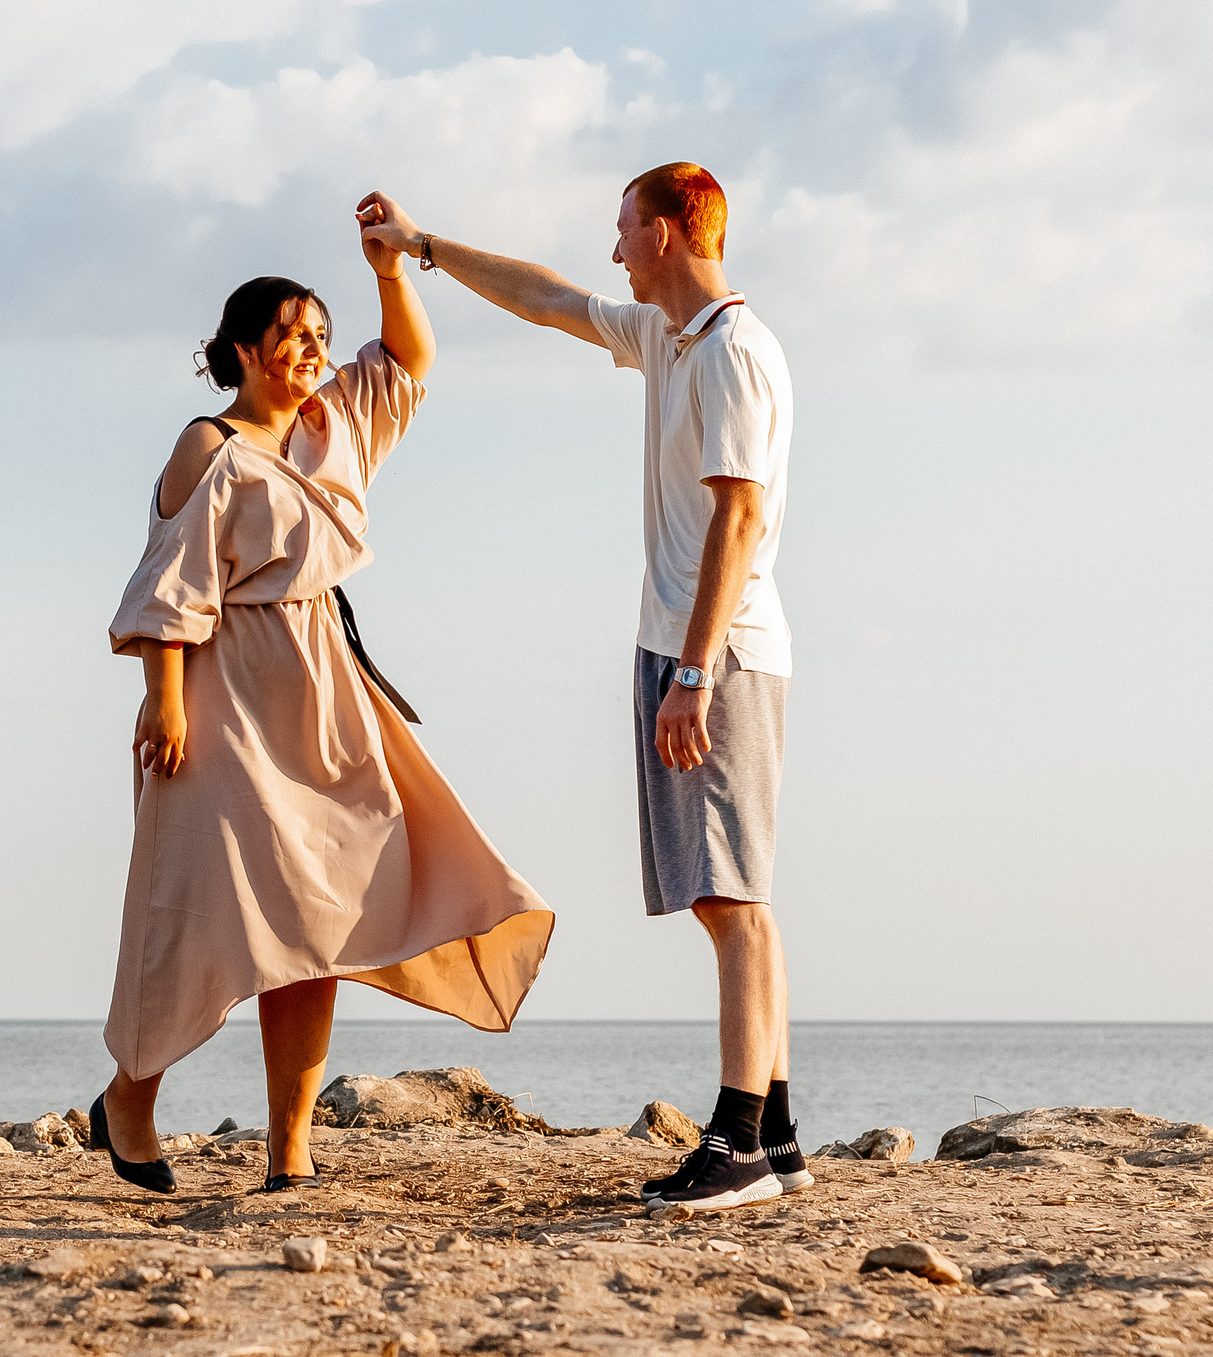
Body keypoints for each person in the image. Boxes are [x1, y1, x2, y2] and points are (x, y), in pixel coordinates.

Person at [355, 164, 803, 1212]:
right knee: (728, 892)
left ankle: (738, 1141)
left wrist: (693, 670)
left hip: (719, 652)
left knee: (729, 897)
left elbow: (739, 517)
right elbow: (547, 298)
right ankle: (775, 1135)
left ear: (664, 233)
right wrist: (422, 247)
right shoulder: (669, 337)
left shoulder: (734, 351)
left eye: (622, 230)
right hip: (686, 648)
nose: (612, 252)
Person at [91, 214, 555, 1196]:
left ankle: (290, 1148)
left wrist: (392, 268)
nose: (312, 349)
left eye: (320, 334)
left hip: (324, 694)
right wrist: (164, 702)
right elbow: (170, 583)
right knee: (192, 911)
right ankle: (129, 1098)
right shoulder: (209, 446)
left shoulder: (332, 425)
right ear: (243, 349)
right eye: (292, 334)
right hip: (221, 695)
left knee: (319, 924)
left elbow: (410, 357)